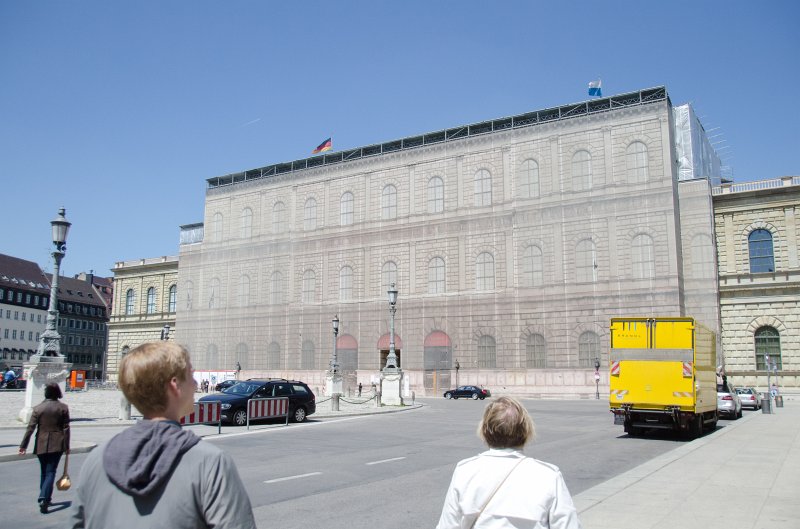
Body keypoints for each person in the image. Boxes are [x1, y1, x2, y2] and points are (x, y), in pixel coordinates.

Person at [70, 341, 256, 529]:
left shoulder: (96, 460)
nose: (196, 383)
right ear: (175, 386)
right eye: (191, 375)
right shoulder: (210, 463)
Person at [435, 397, 582, 529]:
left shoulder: (465, 471)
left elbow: (448, 525)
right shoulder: (548, 476)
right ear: (526, 431)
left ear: (485, 431)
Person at [19, 382, 71, 514]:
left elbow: (30, 428)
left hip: (41, 442)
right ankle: (44, 497)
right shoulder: (63, 407)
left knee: (44, 471)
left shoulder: (38, 408)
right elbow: (66, 429)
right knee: (51, 471)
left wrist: (23, 445)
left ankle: (45, 496)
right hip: (57, 443)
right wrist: (67, 446)